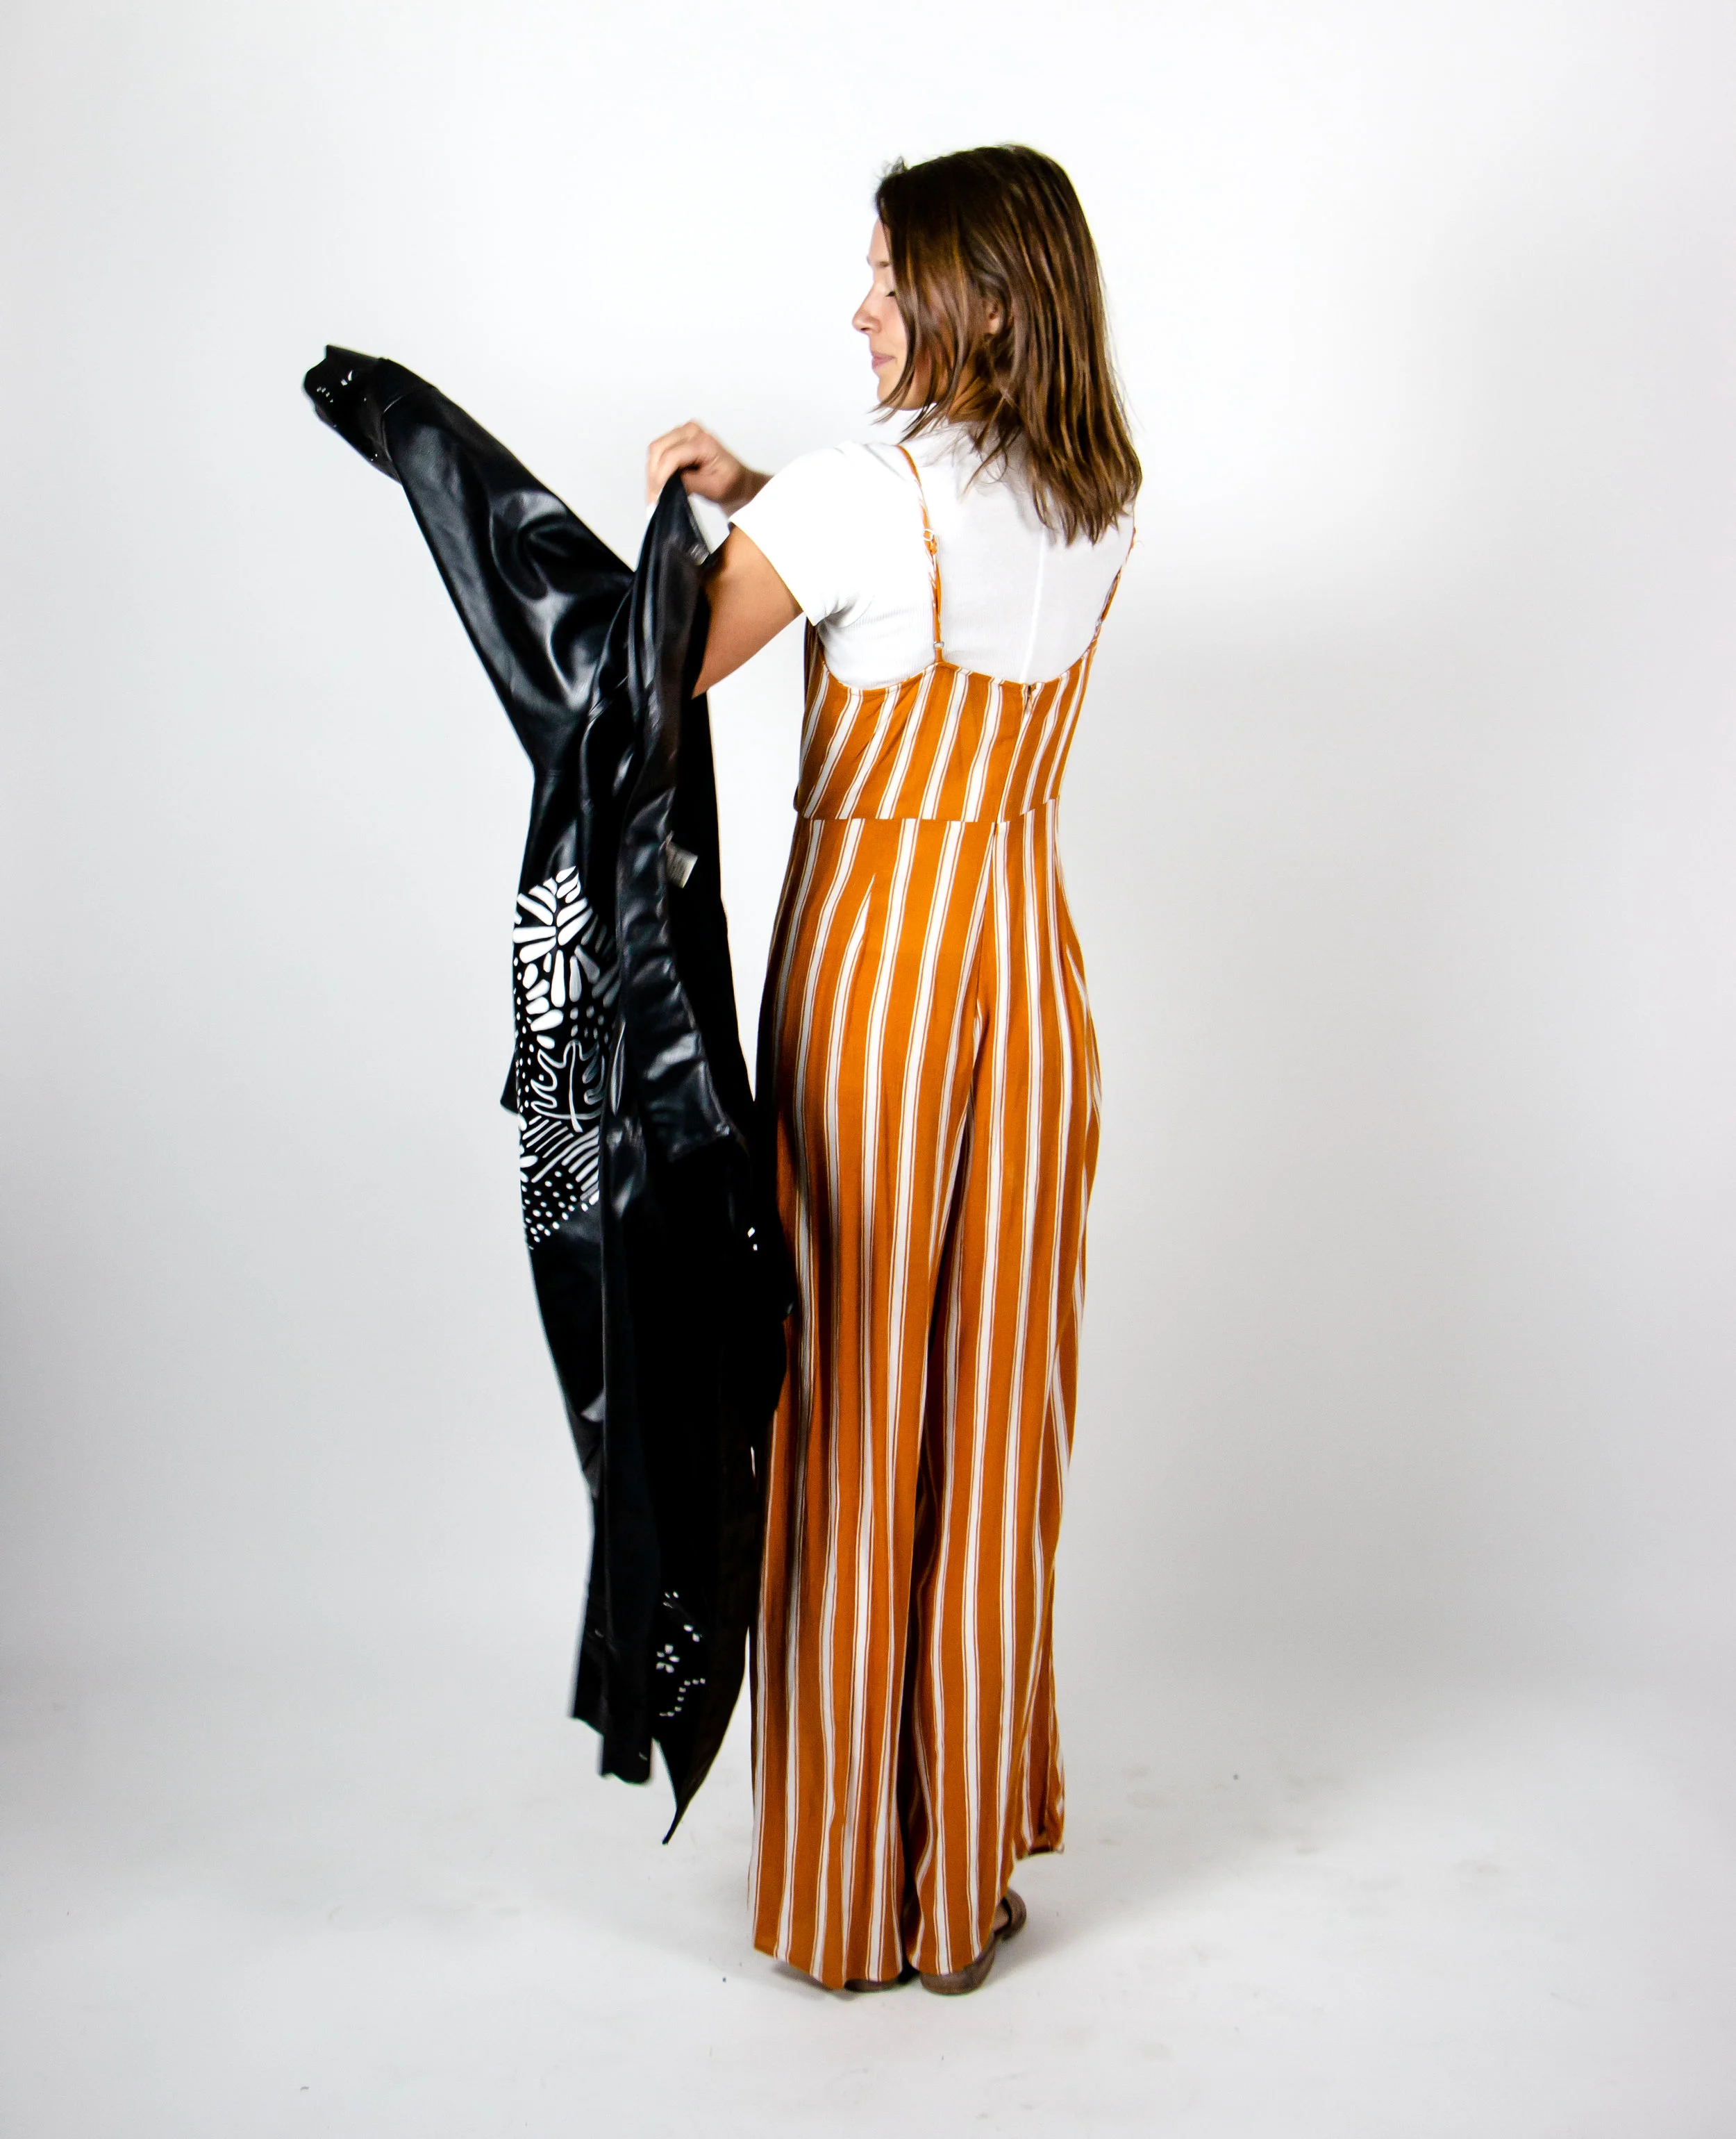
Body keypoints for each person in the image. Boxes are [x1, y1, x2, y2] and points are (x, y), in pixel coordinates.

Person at [644, 144, 1140, 1996]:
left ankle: (854, 1893)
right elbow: (935, 551)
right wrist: (770, 493)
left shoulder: (856, 495)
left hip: (877, 987)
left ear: (980, 301)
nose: (857, 307)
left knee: (847, 1406)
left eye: (886, 275)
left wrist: (688, 522)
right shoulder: (1098, 500)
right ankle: (965, 1877)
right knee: (992, 1417)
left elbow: (660, 668)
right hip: (1029, 983)